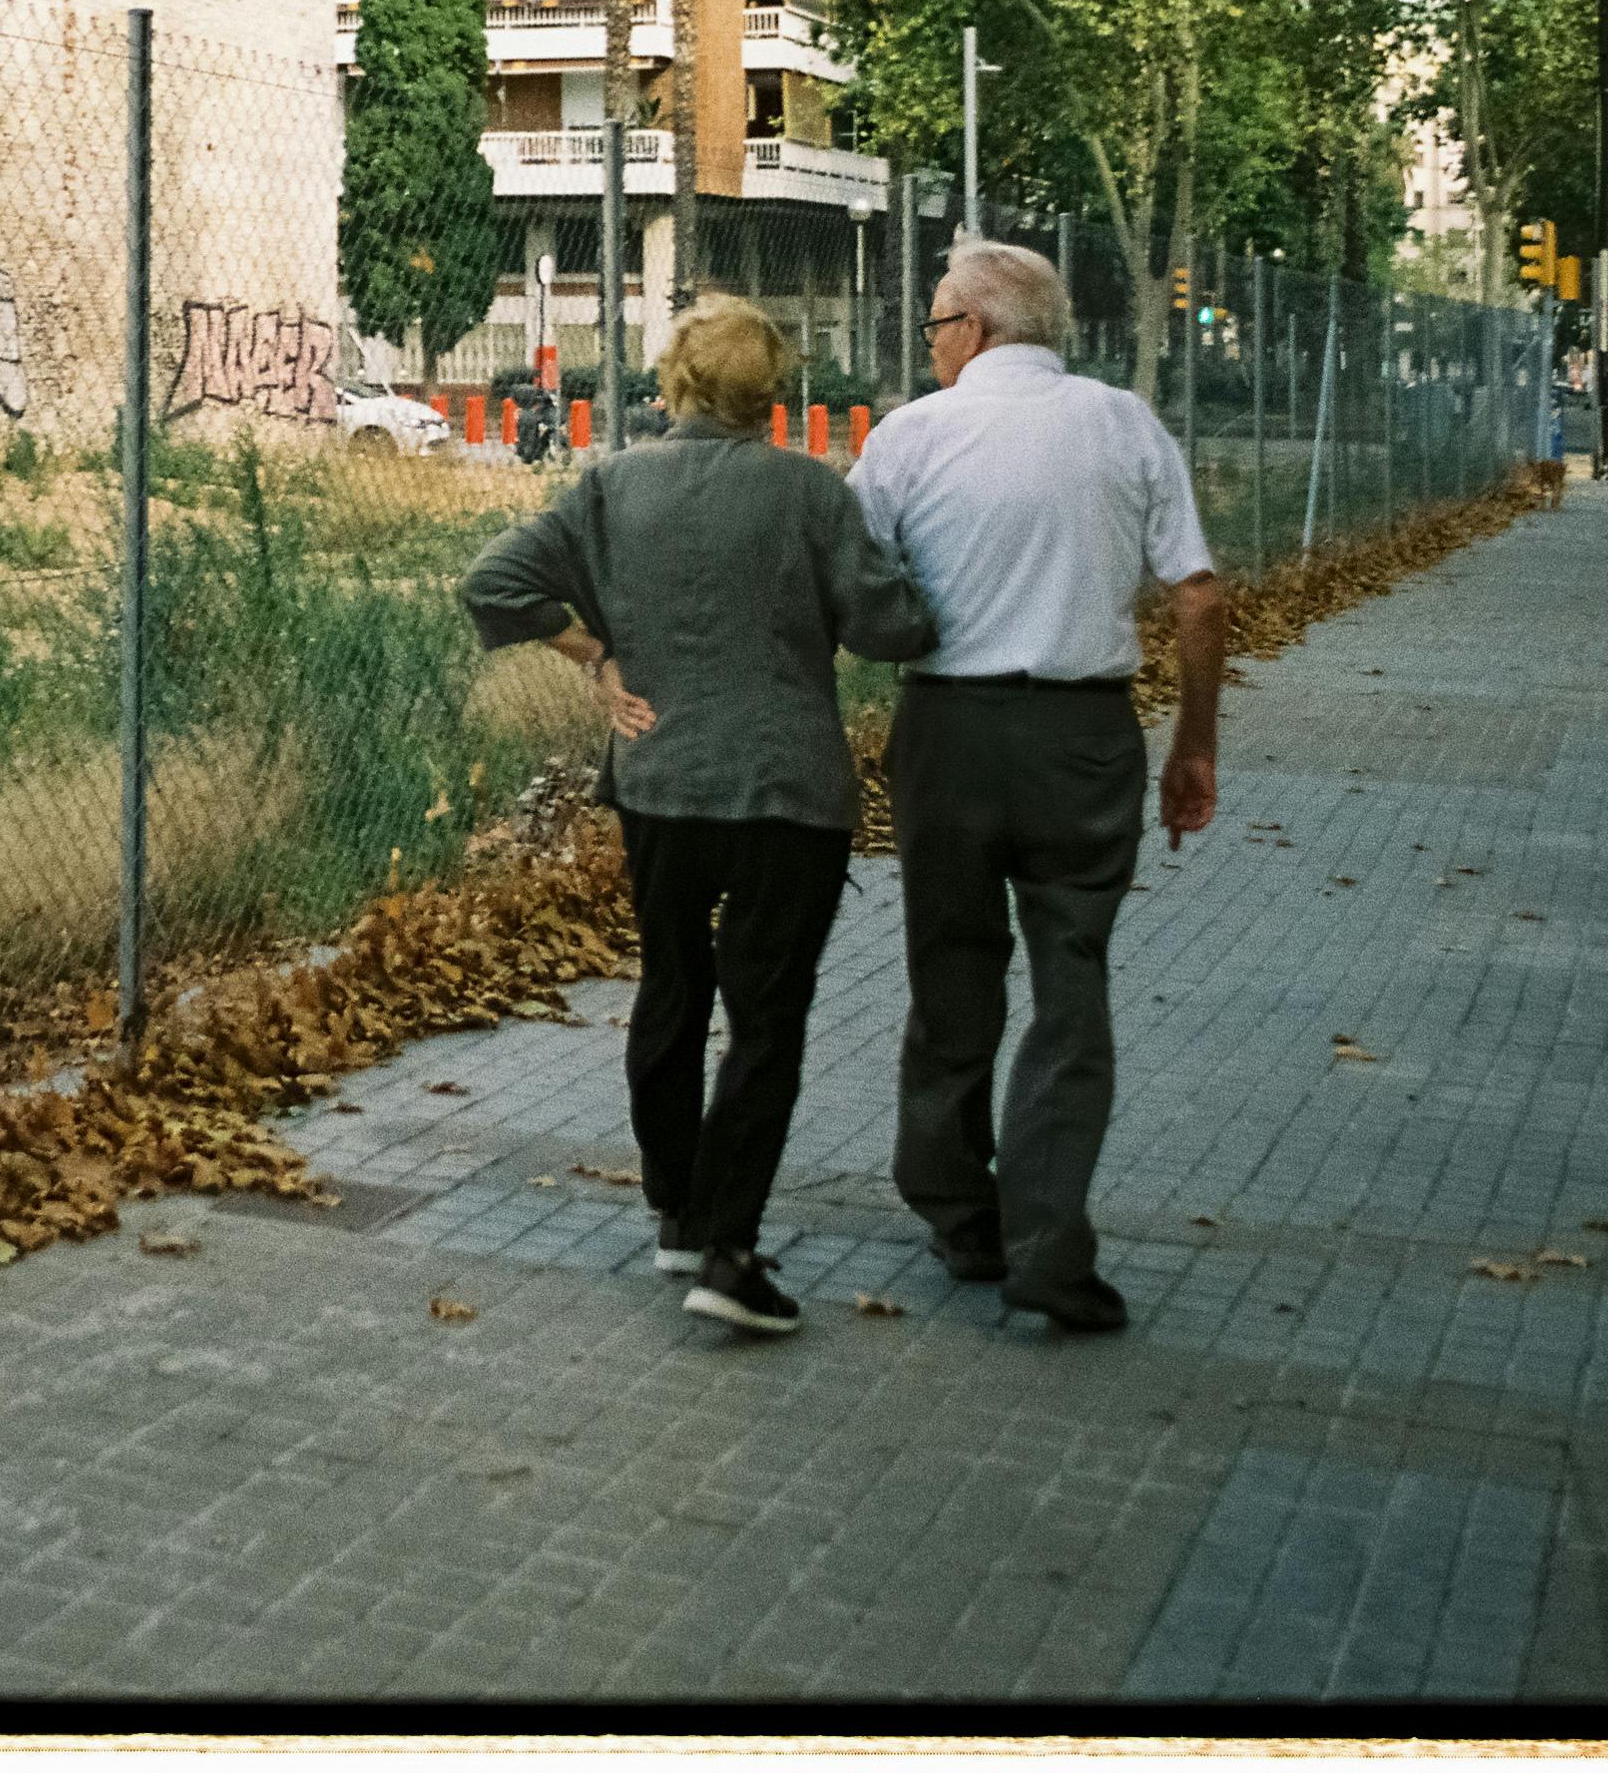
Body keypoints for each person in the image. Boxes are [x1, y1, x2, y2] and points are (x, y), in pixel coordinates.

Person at [464, 298, 936, 1339]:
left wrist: (596, 655)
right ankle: (731, 1244)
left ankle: (676, 1206)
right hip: (784, 789)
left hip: (661, 777)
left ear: (672, 382)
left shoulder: (611, 485)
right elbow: (889, 624)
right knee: (766, 1018)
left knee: (672, 988)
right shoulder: (812, 492)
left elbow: (492, 581)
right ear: (771, 393)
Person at [851, 241, 1223, 1337]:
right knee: (1073, 986)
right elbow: (1199, 599)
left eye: (933, 323)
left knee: (951, 970)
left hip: (949, 734)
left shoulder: (911, 434)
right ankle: (1051, 1246)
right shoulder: (1124, 422)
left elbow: (851, 577)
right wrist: (1193, 744)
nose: (928, 344)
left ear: (974, 325)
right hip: (1082, 737)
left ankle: (958, 1209)